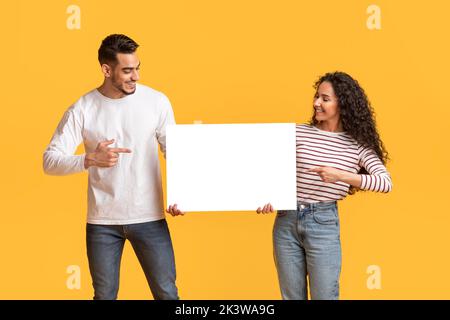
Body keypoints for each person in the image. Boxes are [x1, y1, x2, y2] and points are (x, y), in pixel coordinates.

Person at [43, 34, 180, 300]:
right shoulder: (83, 108)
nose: (136, 77)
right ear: (107, 70)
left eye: (138, 68)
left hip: (149, 218)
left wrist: (182, 196)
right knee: (104, 296)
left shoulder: (156, 102)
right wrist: (89, 159)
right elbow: (49, 161)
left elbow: (174, 153)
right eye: (127, 70)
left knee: (167, 294)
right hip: (102, 223)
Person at [257, 71, 393, 300]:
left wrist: (340, 175)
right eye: (316, 97)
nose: (316, 103)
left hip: (323, 223)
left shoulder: (357, 145)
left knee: (325, 296)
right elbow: (269, 172)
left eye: (325, 99)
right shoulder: (298, 133)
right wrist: (266, 198)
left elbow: (385, 182)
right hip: (286, 220)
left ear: (343, 103)